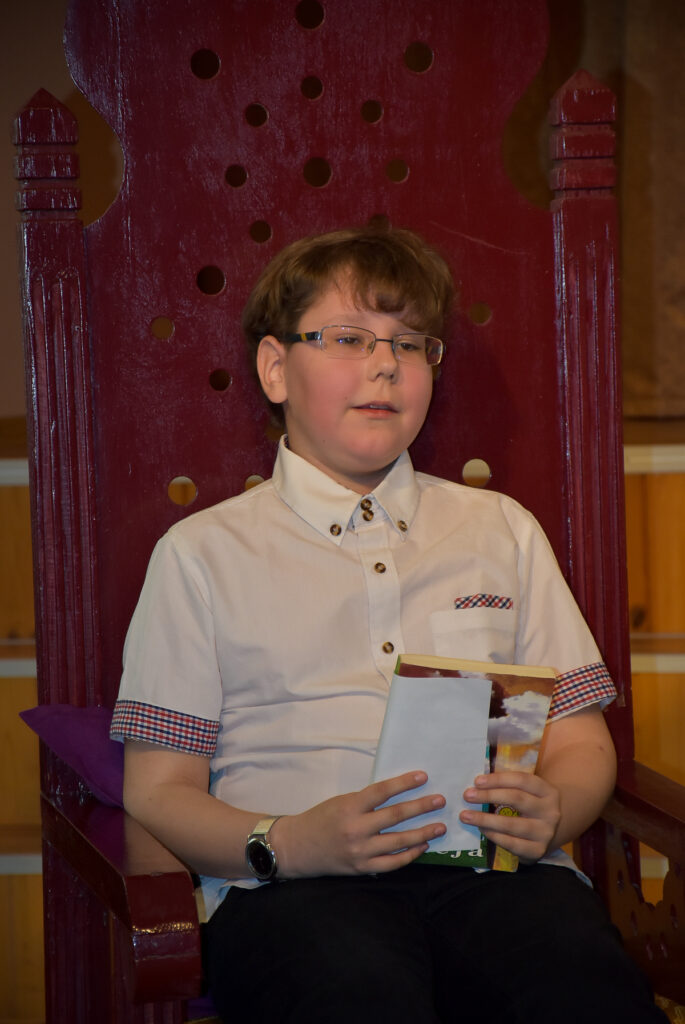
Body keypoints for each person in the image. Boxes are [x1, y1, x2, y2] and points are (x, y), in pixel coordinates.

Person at [111, 225, 666, 1023]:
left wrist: (557, 808)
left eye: (409, 344)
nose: (384, 364)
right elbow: (158, 790)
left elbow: (578, 741)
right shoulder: (201, 555)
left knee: (583, 991)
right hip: (294, 891)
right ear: (275, 367)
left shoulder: (499, 529)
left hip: (493, 880)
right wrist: (286, 842)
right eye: (347, 338)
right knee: (356, 995)